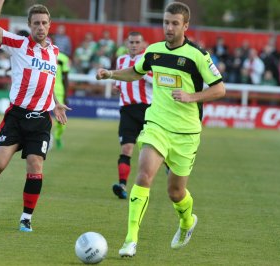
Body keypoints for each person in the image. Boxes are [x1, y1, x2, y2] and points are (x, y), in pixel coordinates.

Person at [96, 2, 225, 257]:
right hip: (156, 124)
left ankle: (187, 221)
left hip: (186, 133)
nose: (169, 27)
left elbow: (220, 88)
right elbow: (135, 72)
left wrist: (192, 96)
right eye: (166, 22)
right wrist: (110, 73)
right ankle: (130, 240)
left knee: (175, 192)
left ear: (185, 25)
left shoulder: (197, 55)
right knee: (144, 174)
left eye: (175, 23)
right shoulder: (153, 52)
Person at [0, 0, 70, 233]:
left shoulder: (54, 52)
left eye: (44, 23)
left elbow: (45, 82)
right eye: (36, 23)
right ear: (30, 26)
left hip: (41, 119)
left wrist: (55, 103)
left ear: (49, 25)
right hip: (16, 117)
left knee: (35, 165)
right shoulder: (18, 44)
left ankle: (26, 218)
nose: (40, 27)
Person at [111, 31, 153, 200]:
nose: (134, 45)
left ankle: (171, 173)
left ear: (142, 44)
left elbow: (154, 81)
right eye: (131, 42)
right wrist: (117, 87)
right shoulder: (121, 60)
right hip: (127, 110)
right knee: (126, 148)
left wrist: (140, 74)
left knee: (154, 149)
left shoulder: (147, 60)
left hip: (147, 109)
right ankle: (122, 185)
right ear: (127, 44)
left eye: (137, 42)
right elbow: (118, 83)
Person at [53, 51, 70, 149]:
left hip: (58, 91)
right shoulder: (37, 53)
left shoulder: (63, 58)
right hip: (43, 89)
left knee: (61, 119)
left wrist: (66, 96)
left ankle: (58, 136)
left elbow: (66, 77)